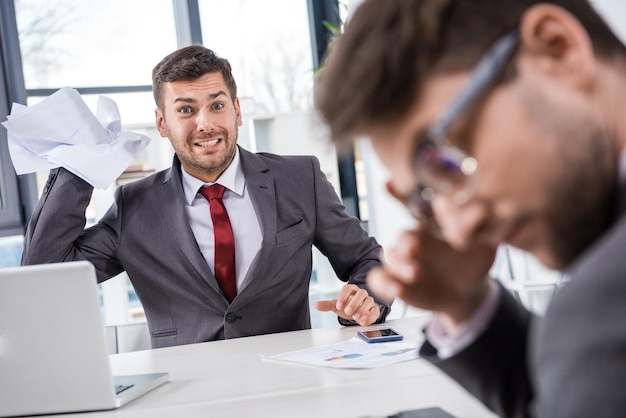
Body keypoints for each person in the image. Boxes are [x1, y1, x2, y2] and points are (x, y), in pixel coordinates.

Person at [315, 0, 626, 417]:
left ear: (557, 49)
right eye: (424, 199)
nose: (459, 230)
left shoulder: (600, 309)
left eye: (446, 159)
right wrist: (467, 304)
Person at [21, 45, 390, 348]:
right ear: (162, 123)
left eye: (217, 105)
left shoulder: (298, 178)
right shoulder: (134, 207)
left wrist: (364, 301)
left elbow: (366, 259)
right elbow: (44, 273)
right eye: (185, 110)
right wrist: (80, 165)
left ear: (237, 110)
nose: (205, 124)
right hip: (187, 394)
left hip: (290, 381)